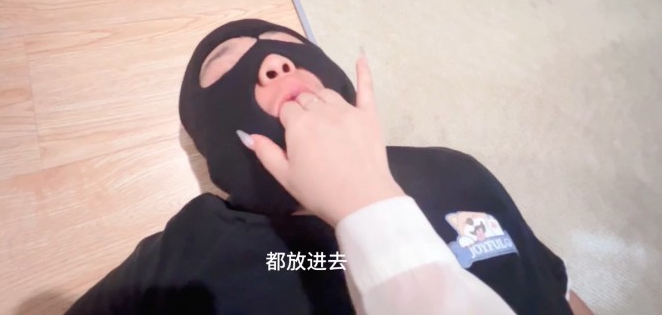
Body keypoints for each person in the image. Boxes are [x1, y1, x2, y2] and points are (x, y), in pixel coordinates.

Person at [66, 19, 591, 314]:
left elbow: (561, 292)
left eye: (289, 48)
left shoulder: (455, 172)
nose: (276, 62)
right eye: (226, 64)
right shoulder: (189, 255)